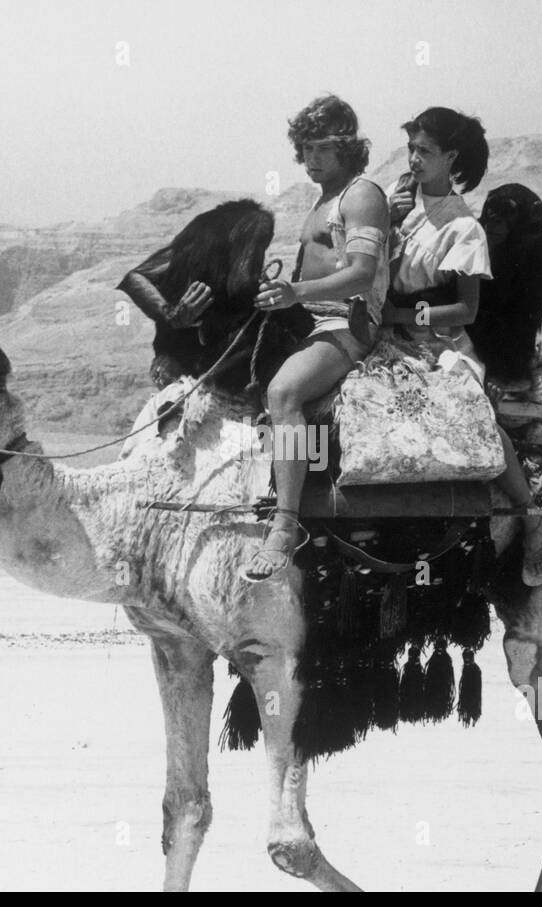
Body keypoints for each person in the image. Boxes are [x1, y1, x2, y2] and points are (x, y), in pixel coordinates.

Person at [382, 107, 542, 585]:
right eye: (410, 148)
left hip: (436, 341)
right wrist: (387, 226)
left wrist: (399, 316)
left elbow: (465, 311)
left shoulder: (463, 229)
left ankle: (531, 514)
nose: (413, 159)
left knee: (468, 410)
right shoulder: (395, 202)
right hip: (380, 334)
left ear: (451, 156)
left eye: (425, 151)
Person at [242, 94, 391, 582]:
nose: (309, 159)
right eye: (303, 149)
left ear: (347, 146)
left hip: (346, 322)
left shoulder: (362, 195)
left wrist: (295, 292)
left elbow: (362, 275)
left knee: (284, 393)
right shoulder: (324, 200)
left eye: (320, 148)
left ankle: (286, 525)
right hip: (312, 318)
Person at [117, 200, 275, 390]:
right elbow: (242, 284)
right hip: (215, 351)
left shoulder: (203, 228)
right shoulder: (258, 222)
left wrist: (170, 313)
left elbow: (136, 277)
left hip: (175, 346)